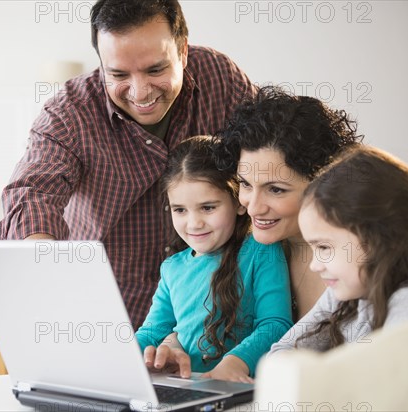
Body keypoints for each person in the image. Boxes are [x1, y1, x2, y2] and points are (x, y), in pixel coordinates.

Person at [0, 0, 255, 329]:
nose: (140, 92)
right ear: (101, 64)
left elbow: (268, 151)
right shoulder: (70, 112)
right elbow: (31, 192)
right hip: (110, 320)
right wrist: (46, 269)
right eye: (118, 74)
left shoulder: (220, 79)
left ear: (183, 52)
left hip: (214, 317)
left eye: (155, 70)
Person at [145, 85, 362, 376]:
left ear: (322, 184)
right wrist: (174, 343)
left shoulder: (352, 262)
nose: (253, 207)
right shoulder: (250, 247)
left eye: (275, 189)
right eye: (245, 184)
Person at [135, 136, 293, 382]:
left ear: (238, 202)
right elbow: (154, 330)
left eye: (208, 208)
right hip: (188, 387)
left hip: (237, 388)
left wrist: (235, 363)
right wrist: (121, 358)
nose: (194, 223)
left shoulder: (261, 251)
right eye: (180, 210)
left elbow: (275, 324)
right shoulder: (172, 268)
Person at [270, 145, 408, 353]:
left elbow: (386, 383)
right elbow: (281, 351)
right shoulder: (340, 294)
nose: (314, 265)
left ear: (377, 240)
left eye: (324, 247)